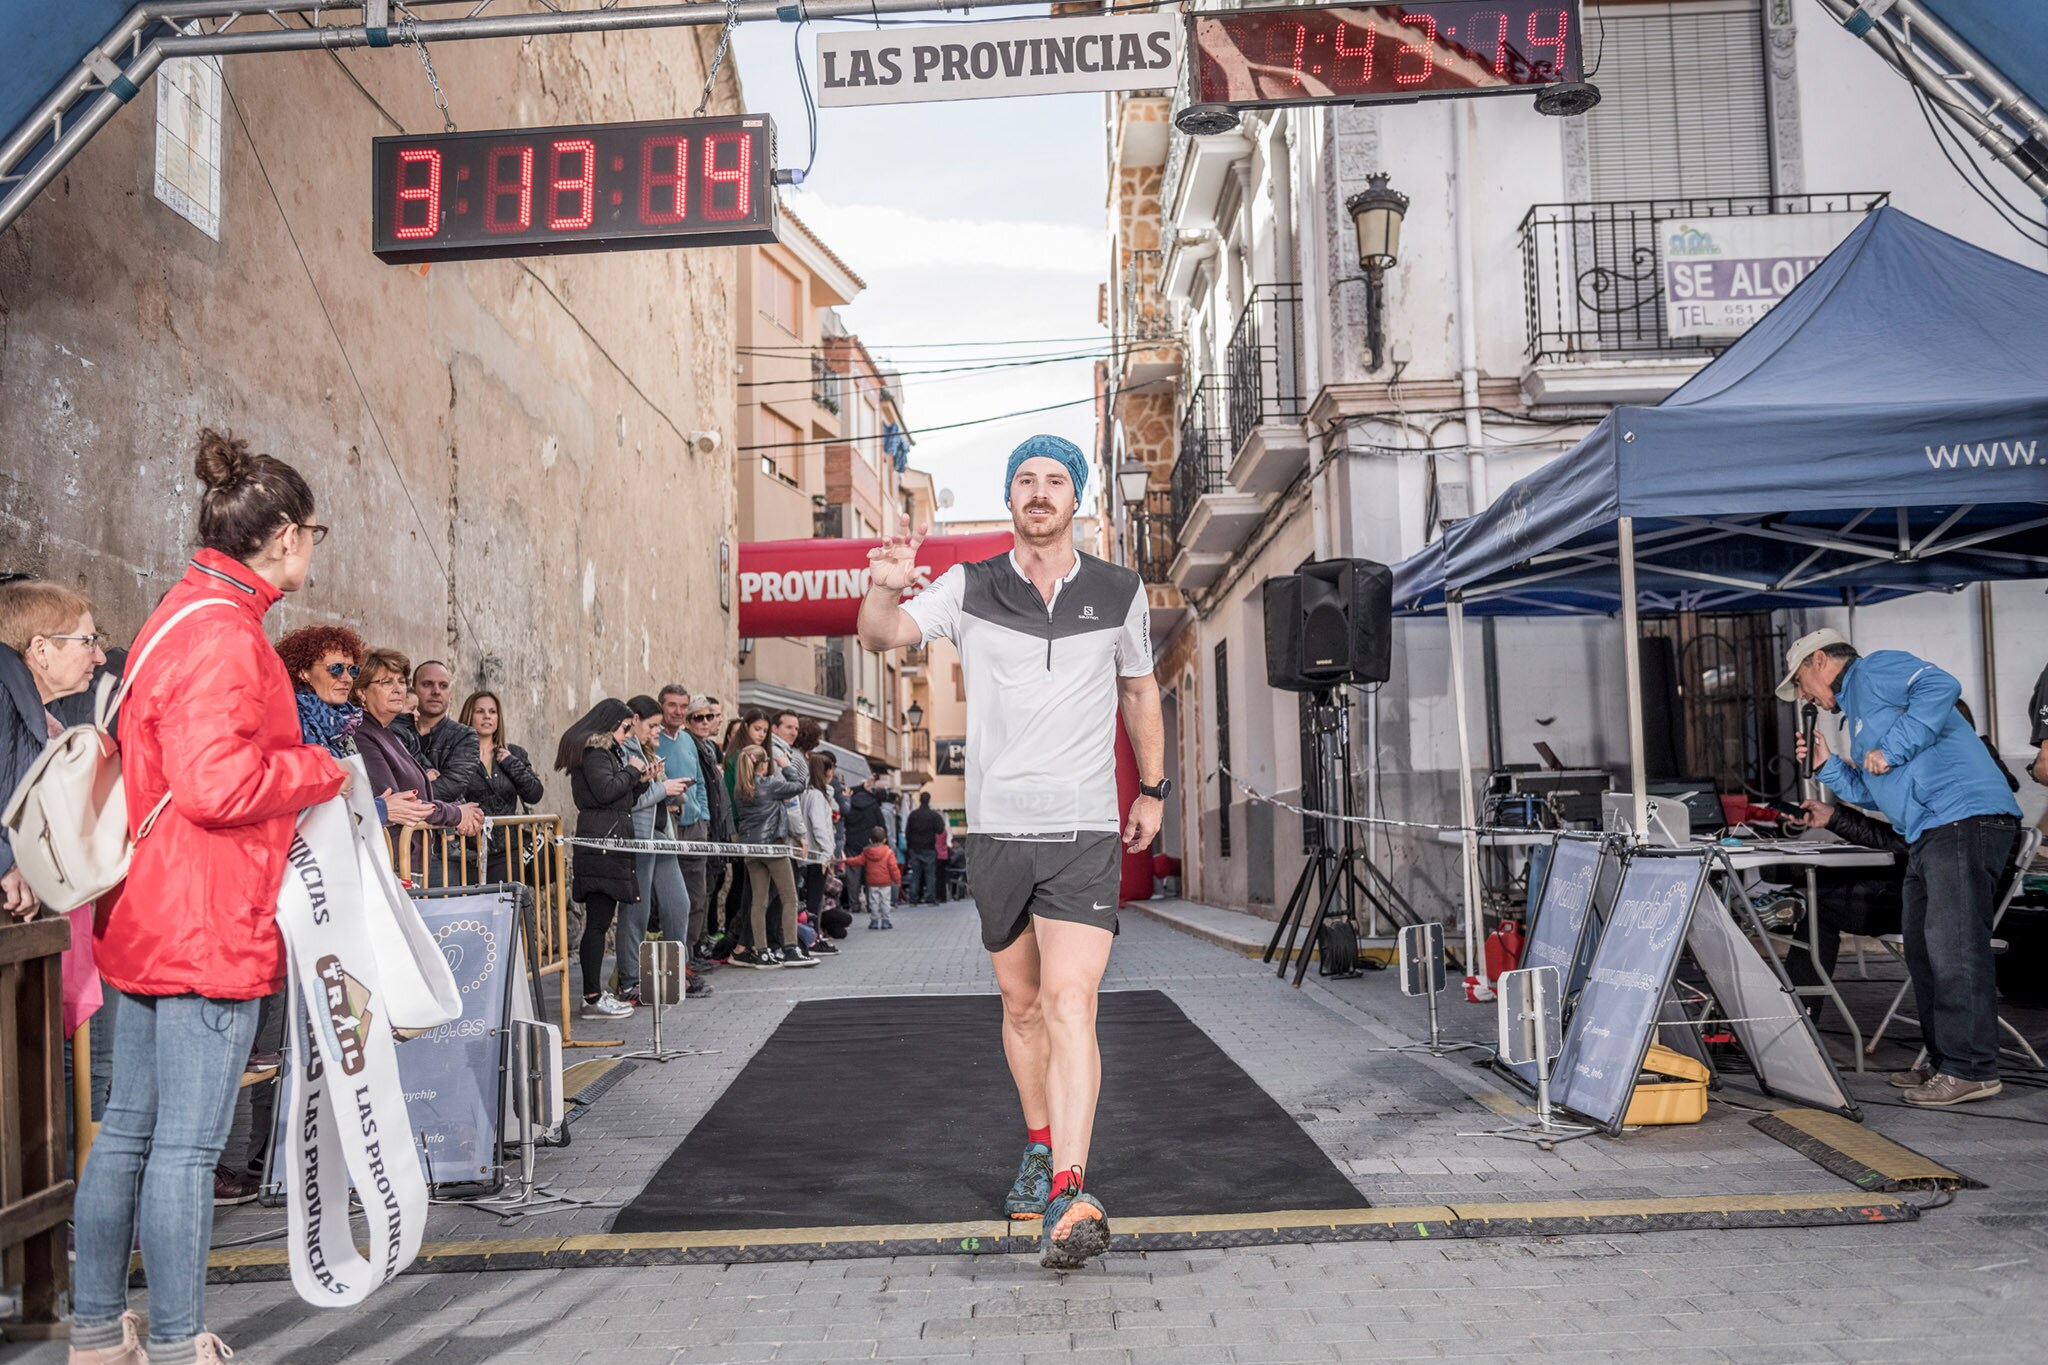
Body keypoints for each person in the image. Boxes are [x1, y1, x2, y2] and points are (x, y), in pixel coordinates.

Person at [72, 429, 350, 1365]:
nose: (313, 545)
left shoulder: (179, 610)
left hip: (146, 910)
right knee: (187, 1150)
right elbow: (216, 784)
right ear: (281, 537)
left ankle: (96, 1333)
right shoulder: (230, 635)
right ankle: (185, 1338)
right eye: (314, 530)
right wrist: (320, 768)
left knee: (125, 1137)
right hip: (206, 916)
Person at [857, 432, 1165, 1269]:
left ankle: (1068, 1184)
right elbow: (881, 636)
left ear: (1076, 498)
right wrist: (879, 592)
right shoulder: (970, 585)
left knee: (1072, 1002)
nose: (1039, 492)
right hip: (996, 830)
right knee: (1022, 1004)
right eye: (1025, 480)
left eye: (1054, 480)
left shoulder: (1119, 589)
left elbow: (1139, 687)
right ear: (1010, 499)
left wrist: (1154, 788)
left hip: (1085, 830)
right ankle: (1039, 1142)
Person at [1783, 627, 2022, 1107]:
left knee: (1954, 948)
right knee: (1925, 949)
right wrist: (1830, 766)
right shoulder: (1859, 715)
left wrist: (1891, 750)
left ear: (1820, 661)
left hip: (1962, 815)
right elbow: (1876, 793)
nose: (1802, 694)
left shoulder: (1872, 670)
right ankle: (1944, 1061)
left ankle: (1972, 1068)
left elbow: (1942, 686)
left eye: (1801, 682)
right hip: (1929, 830)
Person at [353, 648, 482, 874]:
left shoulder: (388, 733)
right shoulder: (363, 733)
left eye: (401, 681)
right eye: (386, 682)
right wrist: (457, 814)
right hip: (389, 864)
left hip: (409, 862)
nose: (397, 689)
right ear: (362, 691)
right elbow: (400, 804)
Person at [557, 699, 648, 1018]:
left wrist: (640, 780)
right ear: (610, 723)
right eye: (625, 728)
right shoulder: (596, 752)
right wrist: (632, 771)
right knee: (597, 922)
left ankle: (594, 995)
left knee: (599, 919)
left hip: (608, 839)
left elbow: (619, 798)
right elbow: (607, 791)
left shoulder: (603, 753)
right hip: (603, 843)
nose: (627, 735)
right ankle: (592, 997)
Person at [623, 695, 705, 997]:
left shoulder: (648, 752)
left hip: (660, 835)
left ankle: (675, 972)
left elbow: (659, 793)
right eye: (653, 725)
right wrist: (663, 788)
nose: (658, 731)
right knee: (638, 911)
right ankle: (630, 979)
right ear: (635, 721)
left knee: (679, 904)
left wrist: (677, 791)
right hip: (640, 837)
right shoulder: (626, 752)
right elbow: (630, 800)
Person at [730, 742, 814, 969]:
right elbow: (799, 785)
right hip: (773, 847)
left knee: (759, 901)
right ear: (763, 764)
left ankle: (762, 951)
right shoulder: (770, 784)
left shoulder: (741, 789)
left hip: (752, 850)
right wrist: (786, 766)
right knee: (789, 897)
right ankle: (790, 948)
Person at [457, 690, 545, 882]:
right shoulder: (457, 756)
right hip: (469, 851)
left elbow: (535, 794)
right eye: (480, 711)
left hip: (507, 850)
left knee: (505, 909)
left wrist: (512, 764)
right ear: (469, 716)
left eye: (492, 711)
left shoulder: (514, 753)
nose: (487, 716)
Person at [801, 753, 842, 955]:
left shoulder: (809, 793)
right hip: (817, 856)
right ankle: (812, 938)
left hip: (812, 855)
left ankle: (812, 936)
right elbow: (820, 827)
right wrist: (828, 852)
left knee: (812, 899)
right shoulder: (816, 795)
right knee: (814, 900)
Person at [856, 825, 901, 930]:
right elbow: (893, 868)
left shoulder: (867, 852)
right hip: (885, 882)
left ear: (870, 840)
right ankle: (885, 921)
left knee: (873, 902)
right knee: (885, 901)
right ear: (885, 839)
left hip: (872, 882)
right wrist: (897, 880)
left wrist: (845, 861)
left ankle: (874, 921)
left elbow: (858, 860)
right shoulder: (888, 852)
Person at [905, 792, 946, 905]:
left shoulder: (913, 815)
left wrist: (909, 846)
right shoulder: (933, 815)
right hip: (929, 848)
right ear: (929, 800)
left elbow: (907, 832)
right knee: (930, 875)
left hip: (915, 848)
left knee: (916, 874)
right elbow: (940, 830)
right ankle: (930, 898)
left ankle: (913, 899)